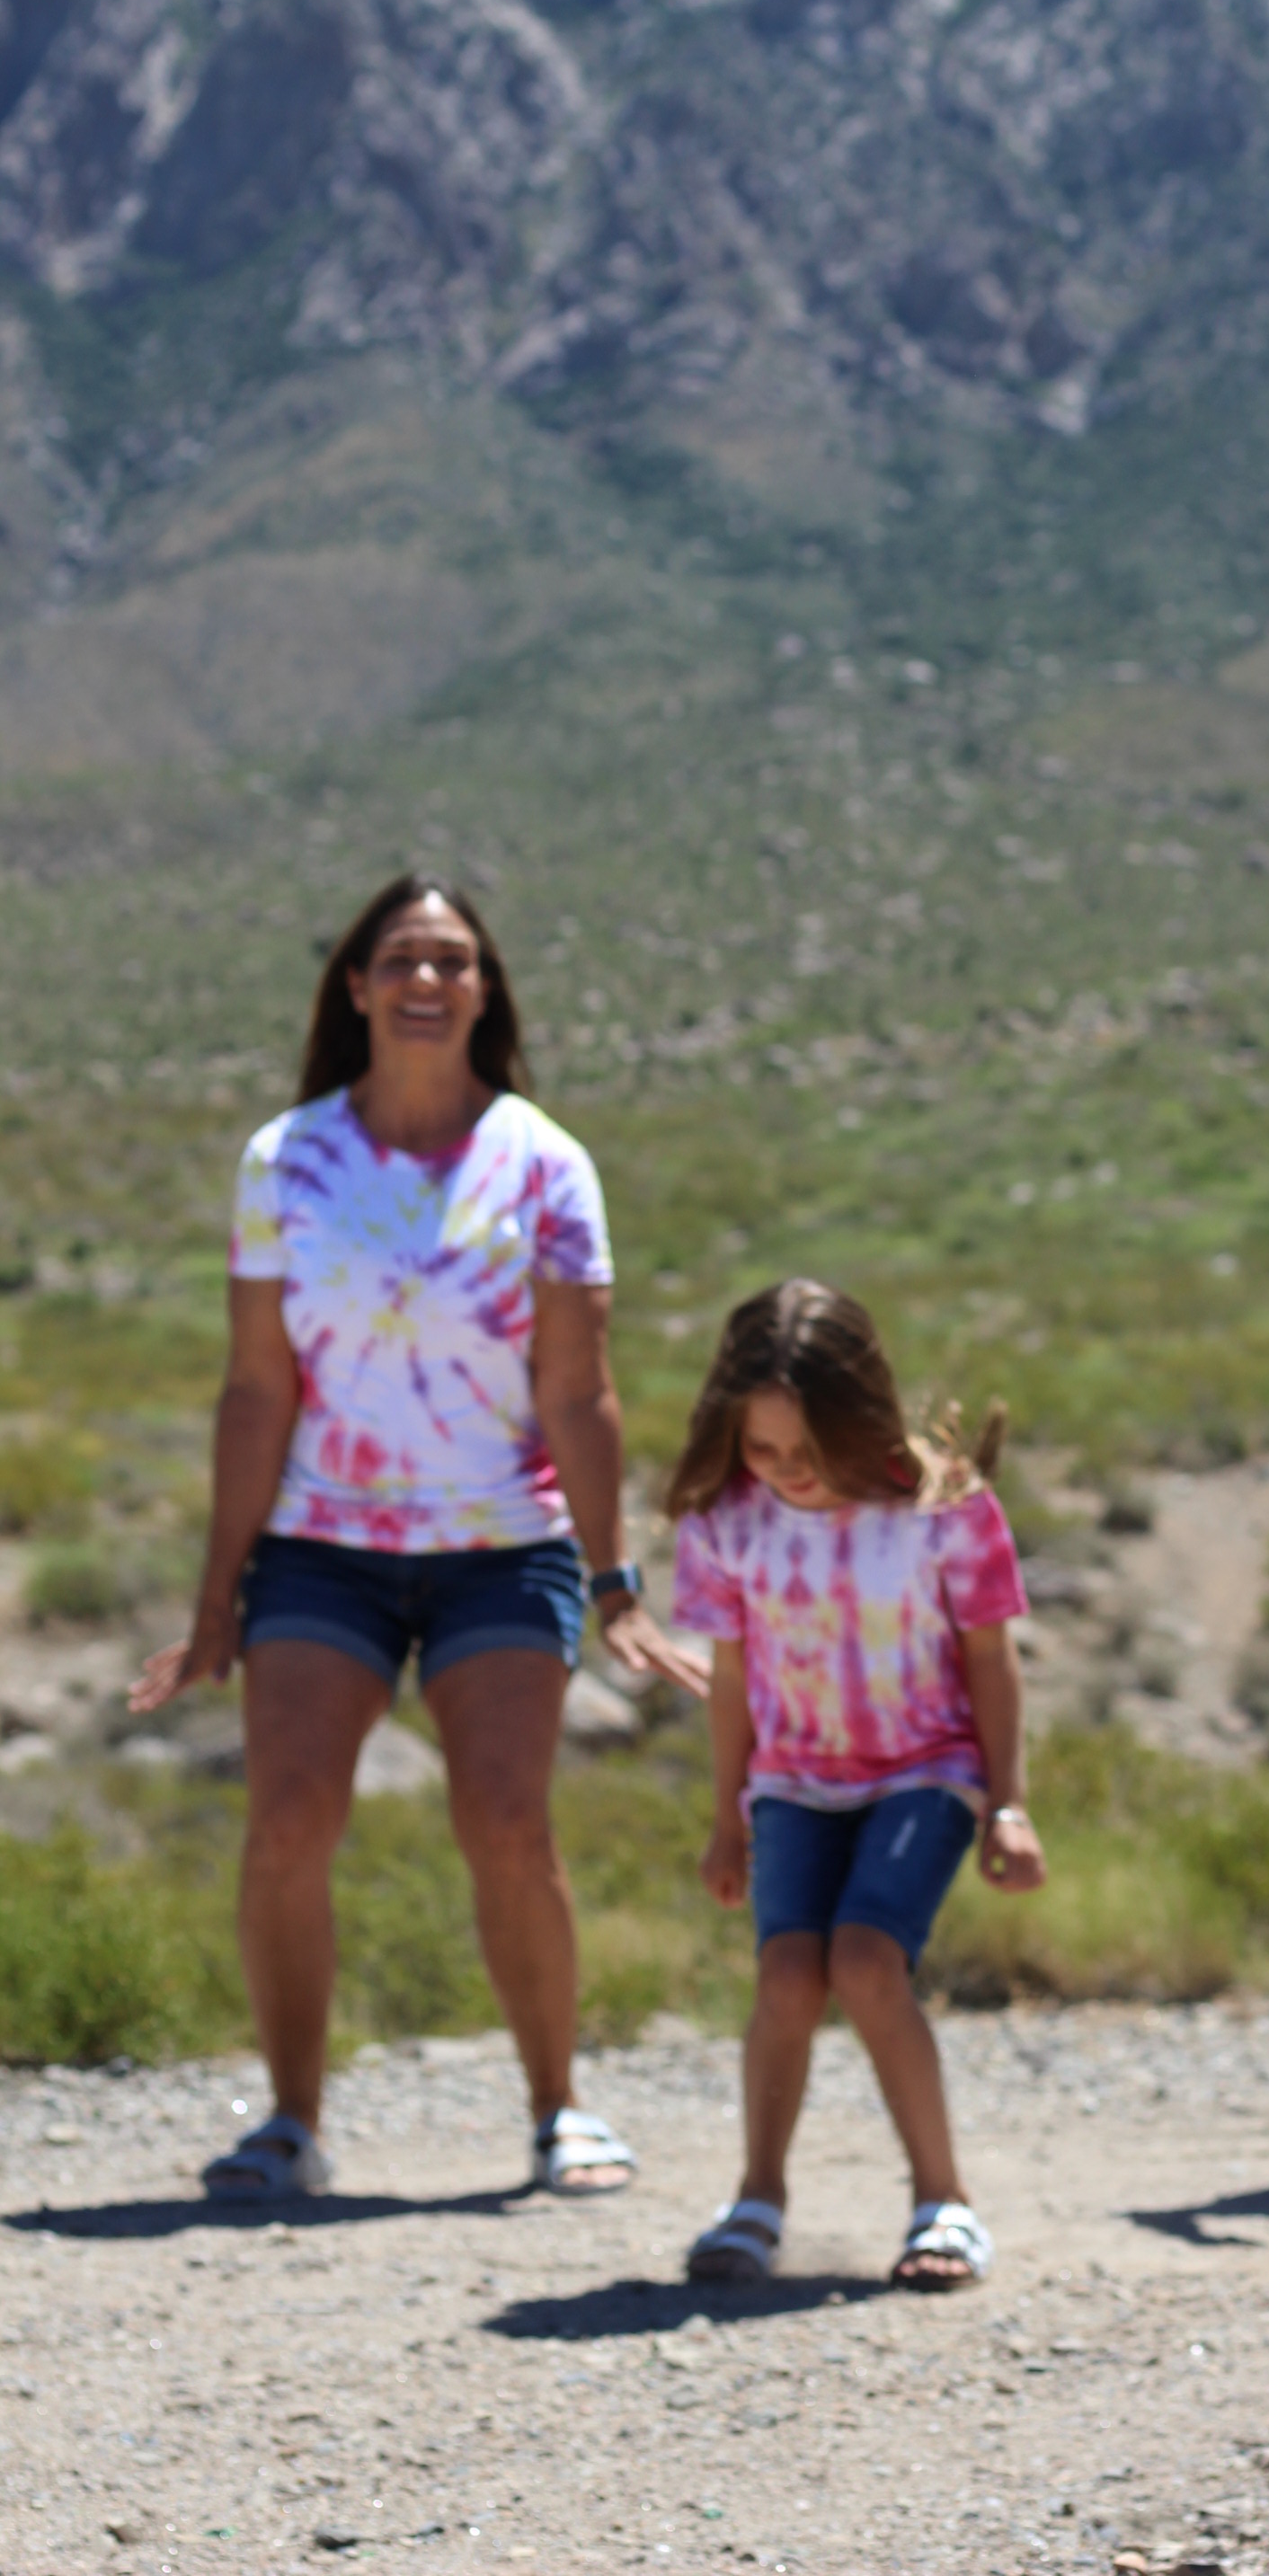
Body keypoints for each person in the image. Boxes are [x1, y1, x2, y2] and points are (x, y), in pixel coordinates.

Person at [130, 872, 705, 2200]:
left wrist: (616, 1582)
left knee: (505, 1821)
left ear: (486, 989)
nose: (427, 981)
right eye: (401, 959)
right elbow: (256, 1388)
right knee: (288, 1820)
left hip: (503, 1547)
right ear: (357, 986)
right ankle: (290, 2122)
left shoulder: (546, 1165)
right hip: (319, 1547)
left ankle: (559, 2109)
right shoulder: (285, 1162)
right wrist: (216, 1600)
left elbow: (579, 1390)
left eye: (453, 960)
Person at [671, 1279, 1045, 2288]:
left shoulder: (944, 1508)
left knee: (868, 1962)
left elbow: (990, 1658)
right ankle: (756, 2200)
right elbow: (731, 1683)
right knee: (789, 1977)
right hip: (793, 1781)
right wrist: (727, 1819)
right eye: (763, 1450)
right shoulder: (723, 1524)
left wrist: (1007, 1803)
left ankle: (944, 2203)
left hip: (926, 1769)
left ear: (861, 1414)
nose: (789, 1471)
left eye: (811, 1447)